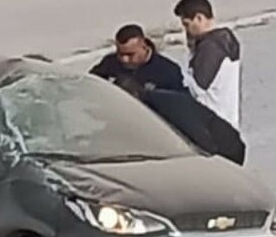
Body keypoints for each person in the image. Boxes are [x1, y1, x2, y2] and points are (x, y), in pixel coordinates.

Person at [102, 59, 246, 167]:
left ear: (133, 96)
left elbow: (198, 136)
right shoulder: (149, 108)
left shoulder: (168, 105)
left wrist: (212, 165)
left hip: (225, 151)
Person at [172, 0, 244, 133]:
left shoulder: (209, 48)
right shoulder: (225, 39)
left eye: (187, 24)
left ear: (199, 18)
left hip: (211, 126)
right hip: (229, 121)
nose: (185, 31)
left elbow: (196, 89)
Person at [89, 24, 187, 94]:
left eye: (130, 54)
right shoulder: (109, 63)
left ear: (143, 46)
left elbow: (177, 104)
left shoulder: (168, 71)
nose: (124, 59)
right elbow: (91, 84)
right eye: (120, 53)